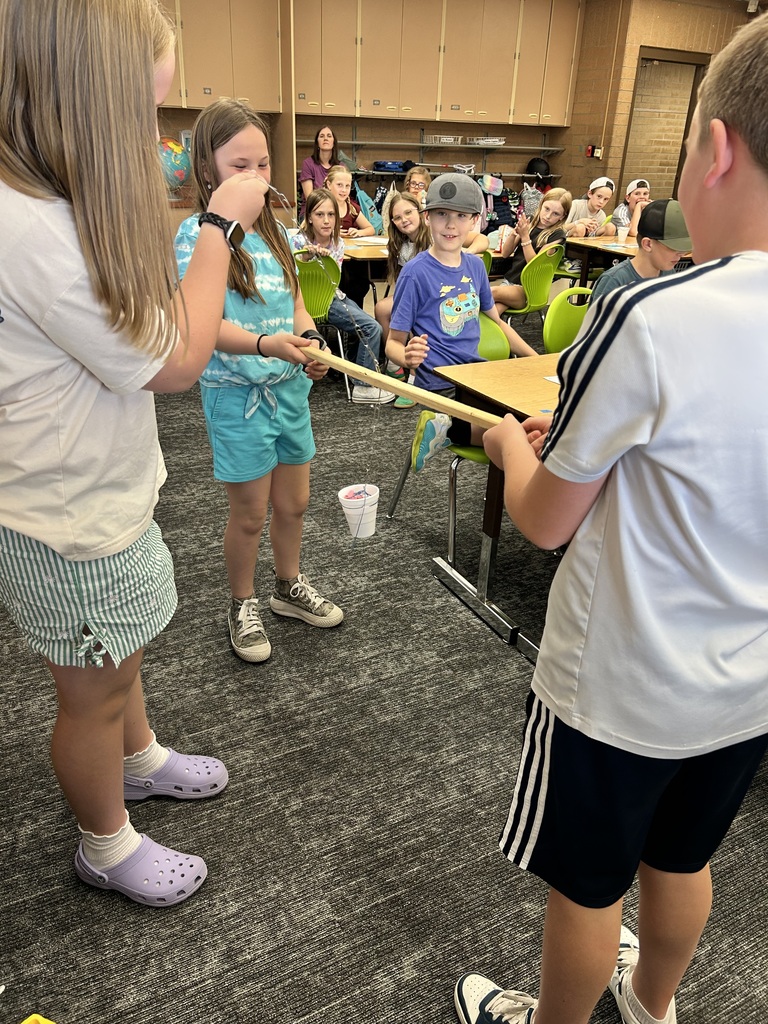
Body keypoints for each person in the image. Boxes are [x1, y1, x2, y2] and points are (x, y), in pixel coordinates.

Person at [454, 15, 768, 1024]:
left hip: (620, 691)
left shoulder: (653, 312)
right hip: (745, 688)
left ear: (714, 149)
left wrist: (514, 448)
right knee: (683, 859)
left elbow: (545, 521)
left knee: (586, 885)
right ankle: (655, 1005)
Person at [0, 0, 272, 907]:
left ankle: (141, 758)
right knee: (90, 694)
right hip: (64, 514)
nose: (149, 139)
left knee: (121, 658)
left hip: (99, 492)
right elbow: (172, 357)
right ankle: (103, 843)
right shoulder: (28, 226)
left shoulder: (54, 201)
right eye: (140, 116)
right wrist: (217, 228)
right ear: (82, 105)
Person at [175, 100, 344, 666]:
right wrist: (265, 344)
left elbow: (296, 305)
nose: (256, 178)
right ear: (208, 172)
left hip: (289, 389)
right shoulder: (198, 236)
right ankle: (241, 601)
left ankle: (287, 586)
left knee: (294, 503)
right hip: (236, 395)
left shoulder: (281, 235)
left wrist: (312, 343)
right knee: (249, 512)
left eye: (264, 165)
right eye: (239, 166)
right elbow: (204, 324)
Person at [385, 174, 537, 468]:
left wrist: (535, 360)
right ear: (427, 217)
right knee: (519, 435)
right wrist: (405, 356)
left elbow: (498, 322)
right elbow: (393, 342)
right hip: (441, 385)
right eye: (442, 214)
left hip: (478, 377)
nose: (451, 224)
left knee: (533, 421)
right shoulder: (415, 273)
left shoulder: (476, 266)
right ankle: (450, 428)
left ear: (475, 221)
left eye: (460, 216)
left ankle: (448, 431)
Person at [291, 187, 393, 405]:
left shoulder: (337, 243)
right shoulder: (297, 242)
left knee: (370, 325)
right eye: (320, 215)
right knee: (370, 327)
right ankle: (363, 386)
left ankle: (359, 372)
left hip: (330, 296)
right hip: (309, 303)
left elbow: (332, 283)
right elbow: (294, 274)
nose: (326, 221)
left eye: (331, 215)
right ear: (309, 217)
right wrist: (309, 254)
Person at [375, 191, 433, 407]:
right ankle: (395, 363)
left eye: (408, 213)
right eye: (397, 218)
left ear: (420, 212)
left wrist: (466, 253)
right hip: (414, 297)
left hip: (435, 298)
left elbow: (480, 240)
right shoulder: (403, 246)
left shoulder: (435, 237)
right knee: (382, 308)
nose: (403, 220)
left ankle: (415, 379)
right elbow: (403, 284)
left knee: (410, 318)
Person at [590, 199, 691, 302]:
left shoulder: (669, 274)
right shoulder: (616, 281)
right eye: (674, 247)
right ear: (647, 244)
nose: (681, 253)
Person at [491, 187, 572, 314]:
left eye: (556, 214)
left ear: (563, 216)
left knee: (489, 293)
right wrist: (514, 233)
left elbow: (534, 267)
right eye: (546, 209)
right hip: (509, 282)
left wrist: (524, 237)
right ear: (541, 204)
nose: (548, 216)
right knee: (492, 312)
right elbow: (505, 253)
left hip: (529, 289)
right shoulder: (530, 223)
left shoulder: (557, 236)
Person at [324, 163, 375, 307]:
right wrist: (331, 233)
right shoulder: (321, 205)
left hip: (349, 260)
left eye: (347, 186)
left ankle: (355, 316)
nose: (344, 190)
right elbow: (305, 231)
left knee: (361, 282)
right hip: (330, 261)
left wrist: (359, 232)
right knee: (346, 281)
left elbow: (370, 229)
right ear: (328, 184)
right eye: (339, 185)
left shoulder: (351, 207)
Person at [298, 124, 338, 214]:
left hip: (334, 212)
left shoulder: (341, 167)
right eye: (322, 136)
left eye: (329, 136)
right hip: (312, 211)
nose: (325, 139)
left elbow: (342, 197)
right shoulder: (308, 164)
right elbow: (310, 197)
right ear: (317, 143)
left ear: (334, 142)